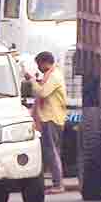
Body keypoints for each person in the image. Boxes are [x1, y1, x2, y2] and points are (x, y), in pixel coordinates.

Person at [25, 51, 67, 194]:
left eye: (39, 65)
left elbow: (42, 93)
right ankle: (55, 183)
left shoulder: (54, 76)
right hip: (48, 117)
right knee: (49, 152)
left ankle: (58, 184)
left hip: (52, 118)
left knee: (52, 152)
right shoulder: (50, 75)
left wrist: (32, 81)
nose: (39, 68)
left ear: (44, 63)